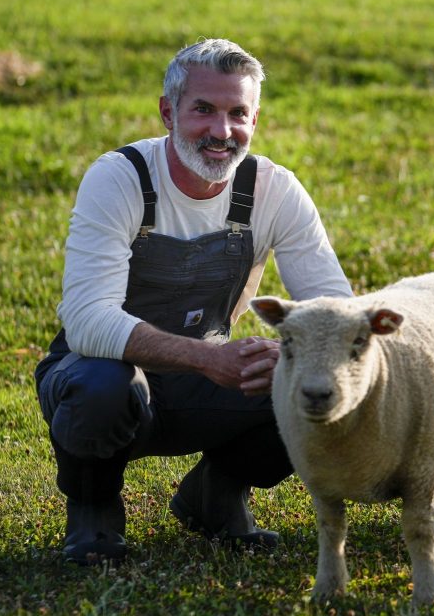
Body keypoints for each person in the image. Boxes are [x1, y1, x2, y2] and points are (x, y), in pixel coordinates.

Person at [34, 38, 352, 565]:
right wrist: (207, 357)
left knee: (313, 383)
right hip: (99, 372)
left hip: (202, 384)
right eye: (203, 109)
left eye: (238, 114)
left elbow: (335, 311)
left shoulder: (274, 189)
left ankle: (216, 495)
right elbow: (87, 320)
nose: (222, 131)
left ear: (255, 119)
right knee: (101, 386)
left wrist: (291, 357)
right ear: (168, 112)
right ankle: (93, 512)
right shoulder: (120, 177)